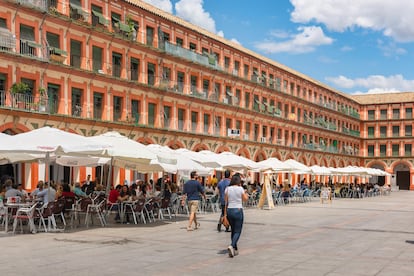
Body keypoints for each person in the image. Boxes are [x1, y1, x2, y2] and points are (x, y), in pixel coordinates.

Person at [224, 173, 248, 258]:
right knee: (238, 231)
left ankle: (234, 248)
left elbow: (226, 202)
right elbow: (245, 199)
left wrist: (224, 214)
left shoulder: (227, 189)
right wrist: (245, 193)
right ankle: (232, 245)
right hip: (238, 210)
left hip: (229, 210)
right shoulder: (240, 189)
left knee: (233, 230)